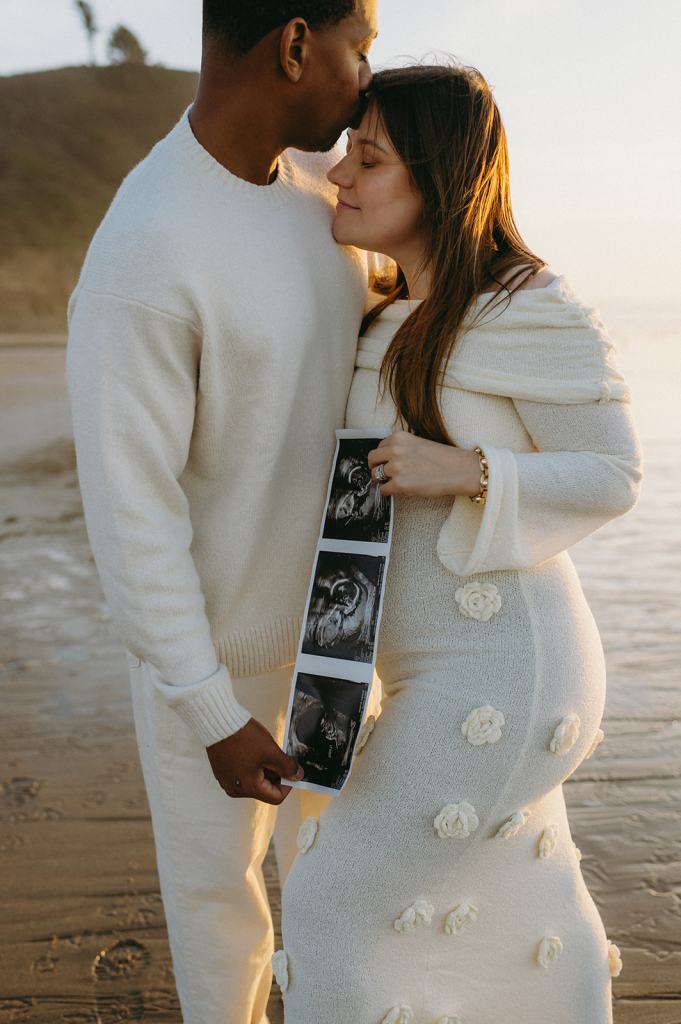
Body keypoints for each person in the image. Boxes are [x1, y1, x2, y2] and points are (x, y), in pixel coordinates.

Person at [279, 64, 643, 1022]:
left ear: (438, 176)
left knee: (329, 898)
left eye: (369, 159)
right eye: (344, 157)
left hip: (500, 671)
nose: (340, 179)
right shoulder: (389, 314)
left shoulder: (525, 303)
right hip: (419, 669)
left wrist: (470, 469)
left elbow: (613, 472)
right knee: (498, 924)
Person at [65, 2, 380, 1021]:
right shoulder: (147, 249)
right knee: (221, 921)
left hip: (342, 643)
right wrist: (209, 706)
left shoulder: (322, 204)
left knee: (351, 910)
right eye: (358, 48)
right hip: (215, 673)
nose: (366, 77)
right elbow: (130, 513)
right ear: (295, 44)